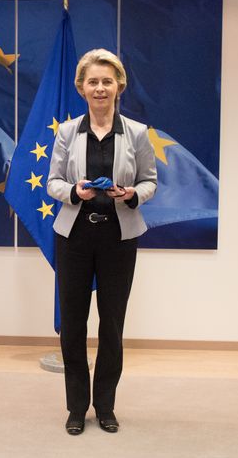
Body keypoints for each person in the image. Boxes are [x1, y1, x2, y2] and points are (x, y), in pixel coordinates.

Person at [47, 48, 157, 436]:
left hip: (119, 238)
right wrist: (75, 191)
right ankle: (77, 407)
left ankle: (105, 406)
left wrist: (132, 195)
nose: (100, 88)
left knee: (111, 324)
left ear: (119, 86)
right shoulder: (66, 132)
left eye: (107, 81)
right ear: (81, 87)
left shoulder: (138, 133)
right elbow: (53, 183)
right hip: (74, 237)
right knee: (74, 325)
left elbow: (150, 182)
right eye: (92, 81)